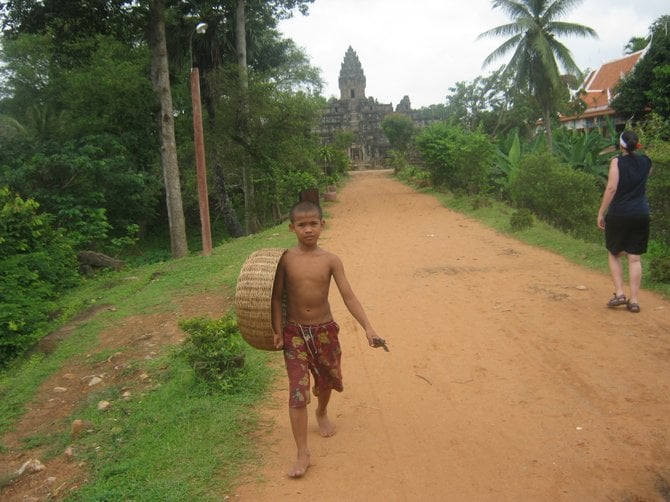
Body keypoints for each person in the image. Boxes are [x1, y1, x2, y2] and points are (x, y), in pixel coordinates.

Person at [271, 200, 384, 478]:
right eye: (302, 225)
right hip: (295, 332)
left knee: (328, 380)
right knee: (298, 390)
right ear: (292, 227)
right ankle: (302, 453)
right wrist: (276, 330)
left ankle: (321, 411)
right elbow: (276, 298)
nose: (308, 230)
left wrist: (368, 327)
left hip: (324, 331)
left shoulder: (331, 260)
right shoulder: (285, 260)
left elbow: (348, 295)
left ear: (323, 225)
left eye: (313, 224)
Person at [597, 130, 652, 313]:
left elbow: (612, 187)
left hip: (619, 213)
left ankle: (620, 293)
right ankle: (634, 300)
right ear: (637, 144)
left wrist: (601, 212)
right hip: (641, 213)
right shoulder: (646, 161)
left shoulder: (616, 161)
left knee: (614, 252)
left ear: (621, 145)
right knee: (634, 258)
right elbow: (645, 176)